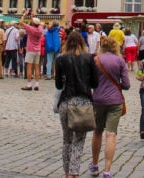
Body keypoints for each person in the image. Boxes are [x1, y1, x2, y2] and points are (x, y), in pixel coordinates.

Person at [54, 30, 98, 178]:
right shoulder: (89, 58)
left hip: (66, 102)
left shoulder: (60, 59)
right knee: (79, 140)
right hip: (83, 102)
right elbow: (95, 83)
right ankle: (74, 172)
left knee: (67, 139)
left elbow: (59, 85)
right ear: (82, 42)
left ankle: (67, 172)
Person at [90, 37, 129, 178]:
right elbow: (126, 84)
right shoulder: (120, 61)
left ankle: (95, 165)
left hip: (98, 100)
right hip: (115, 101)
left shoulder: (96, 60)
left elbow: (90, 81)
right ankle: (107, 170)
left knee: (97, 131)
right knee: (111, 134)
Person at [21, 16, 44, 90]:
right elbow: (40, 24)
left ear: (33, 23)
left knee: (29, 67)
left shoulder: (31, 29)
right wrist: (34, 17)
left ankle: (29, 84)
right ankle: (37, 84)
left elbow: (21, 22)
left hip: (30, 50)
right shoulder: (40, 29)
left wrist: (24, 15)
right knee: (37, 67)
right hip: (38, 50)